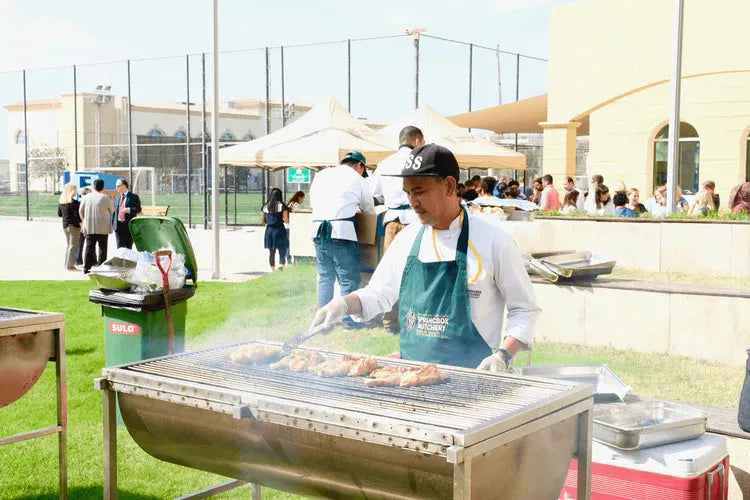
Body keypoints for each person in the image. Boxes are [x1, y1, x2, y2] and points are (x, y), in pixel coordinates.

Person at [308, 144, 540, 371]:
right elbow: (378, 293)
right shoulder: (407, 239)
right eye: (408, 192)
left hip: (474, 375)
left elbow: (524, 309)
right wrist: (344, 304)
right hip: (412, 377)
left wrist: (503, 355)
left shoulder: (494, 241)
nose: (412, 202)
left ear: (449, 186)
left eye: (419, 191)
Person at [309, 151, 375, 329]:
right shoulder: (358, 179)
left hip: (318, 231)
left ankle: (323, 319)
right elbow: (369, 209)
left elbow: (313, 202)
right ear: (360, 165)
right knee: (348, 277)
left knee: (325, 276)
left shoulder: (322, 175)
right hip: (341, 232)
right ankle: (350, 320)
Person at [368, 126, 425, 333]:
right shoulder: (420, 160)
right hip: (415, 220)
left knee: (390, 271)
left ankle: (390, 323)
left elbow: (373, 191)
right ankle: (413, 322)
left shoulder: (385, 163)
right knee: (418, 272)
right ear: (417, 141)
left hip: (392, 221)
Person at [79, 178, 114, 273]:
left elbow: (80, 210)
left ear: (94, 187)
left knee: (89, 247)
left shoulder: (86, 197)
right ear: (103, 187)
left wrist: (84, 221)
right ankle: (101, 267)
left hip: (90, 226)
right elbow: (112, 209)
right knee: (102, 248)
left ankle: (87, 267)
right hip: (103, 226)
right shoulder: (105, 197)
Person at [262, 188, 289, 271]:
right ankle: (281, 265)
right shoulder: (282, 206)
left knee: (272, 251)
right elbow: (286, 220)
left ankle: (273, 268)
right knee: (282, 249)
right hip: (279, 229)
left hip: (269, 230)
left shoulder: (266, 206)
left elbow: (263, 221)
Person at [58, 183, 82, 271]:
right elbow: (76, 216)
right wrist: (80, 223)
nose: (76, 191)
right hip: (73, 226)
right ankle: (70, 266)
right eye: (75, 190)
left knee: (69, 245)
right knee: (73, 246)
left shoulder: (62, 202)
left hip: (65, 226)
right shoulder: (74, 203)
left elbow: (59, 214)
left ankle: (67, 264)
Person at [112, 178, 141, 249]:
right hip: (118, 226)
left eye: (118, 186)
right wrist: (113, 223)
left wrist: (129, 210)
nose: (116, 188)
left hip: (128, 226)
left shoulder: (133, 197)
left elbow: (138, 209)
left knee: (128, 247)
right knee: (119, 248)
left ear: (124, 186)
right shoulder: (117, 197)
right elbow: (114, 212)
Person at [75, 187, 91, 267]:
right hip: (82, 225)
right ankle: (78, 261)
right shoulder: (79, 203)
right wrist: (81, 223)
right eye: (87, 193)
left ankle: (92, 260)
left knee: (90, 244)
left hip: (89, 226)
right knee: (80, 244)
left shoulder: (90, 204)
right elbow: (77, 214)